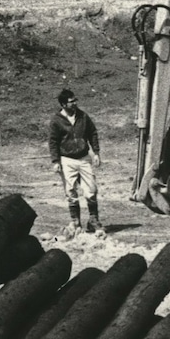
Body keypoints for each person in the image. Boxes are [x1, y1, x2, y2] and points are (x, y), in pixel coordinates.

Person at [48, 88, 103, 238]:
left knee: (91, 189)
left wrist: (96, 153)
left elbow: (92, 133)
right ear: (63, 104)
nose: (75, 103)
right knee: (71, 191)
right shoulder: (56, 121)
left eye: (75, 100)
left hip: (84, 158)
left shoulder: (83, 116)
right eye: (71, 102)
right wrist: (55, 161)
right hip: (67, 160)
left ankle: (93, 220)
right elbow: (53, 142)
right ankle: (76, 221)